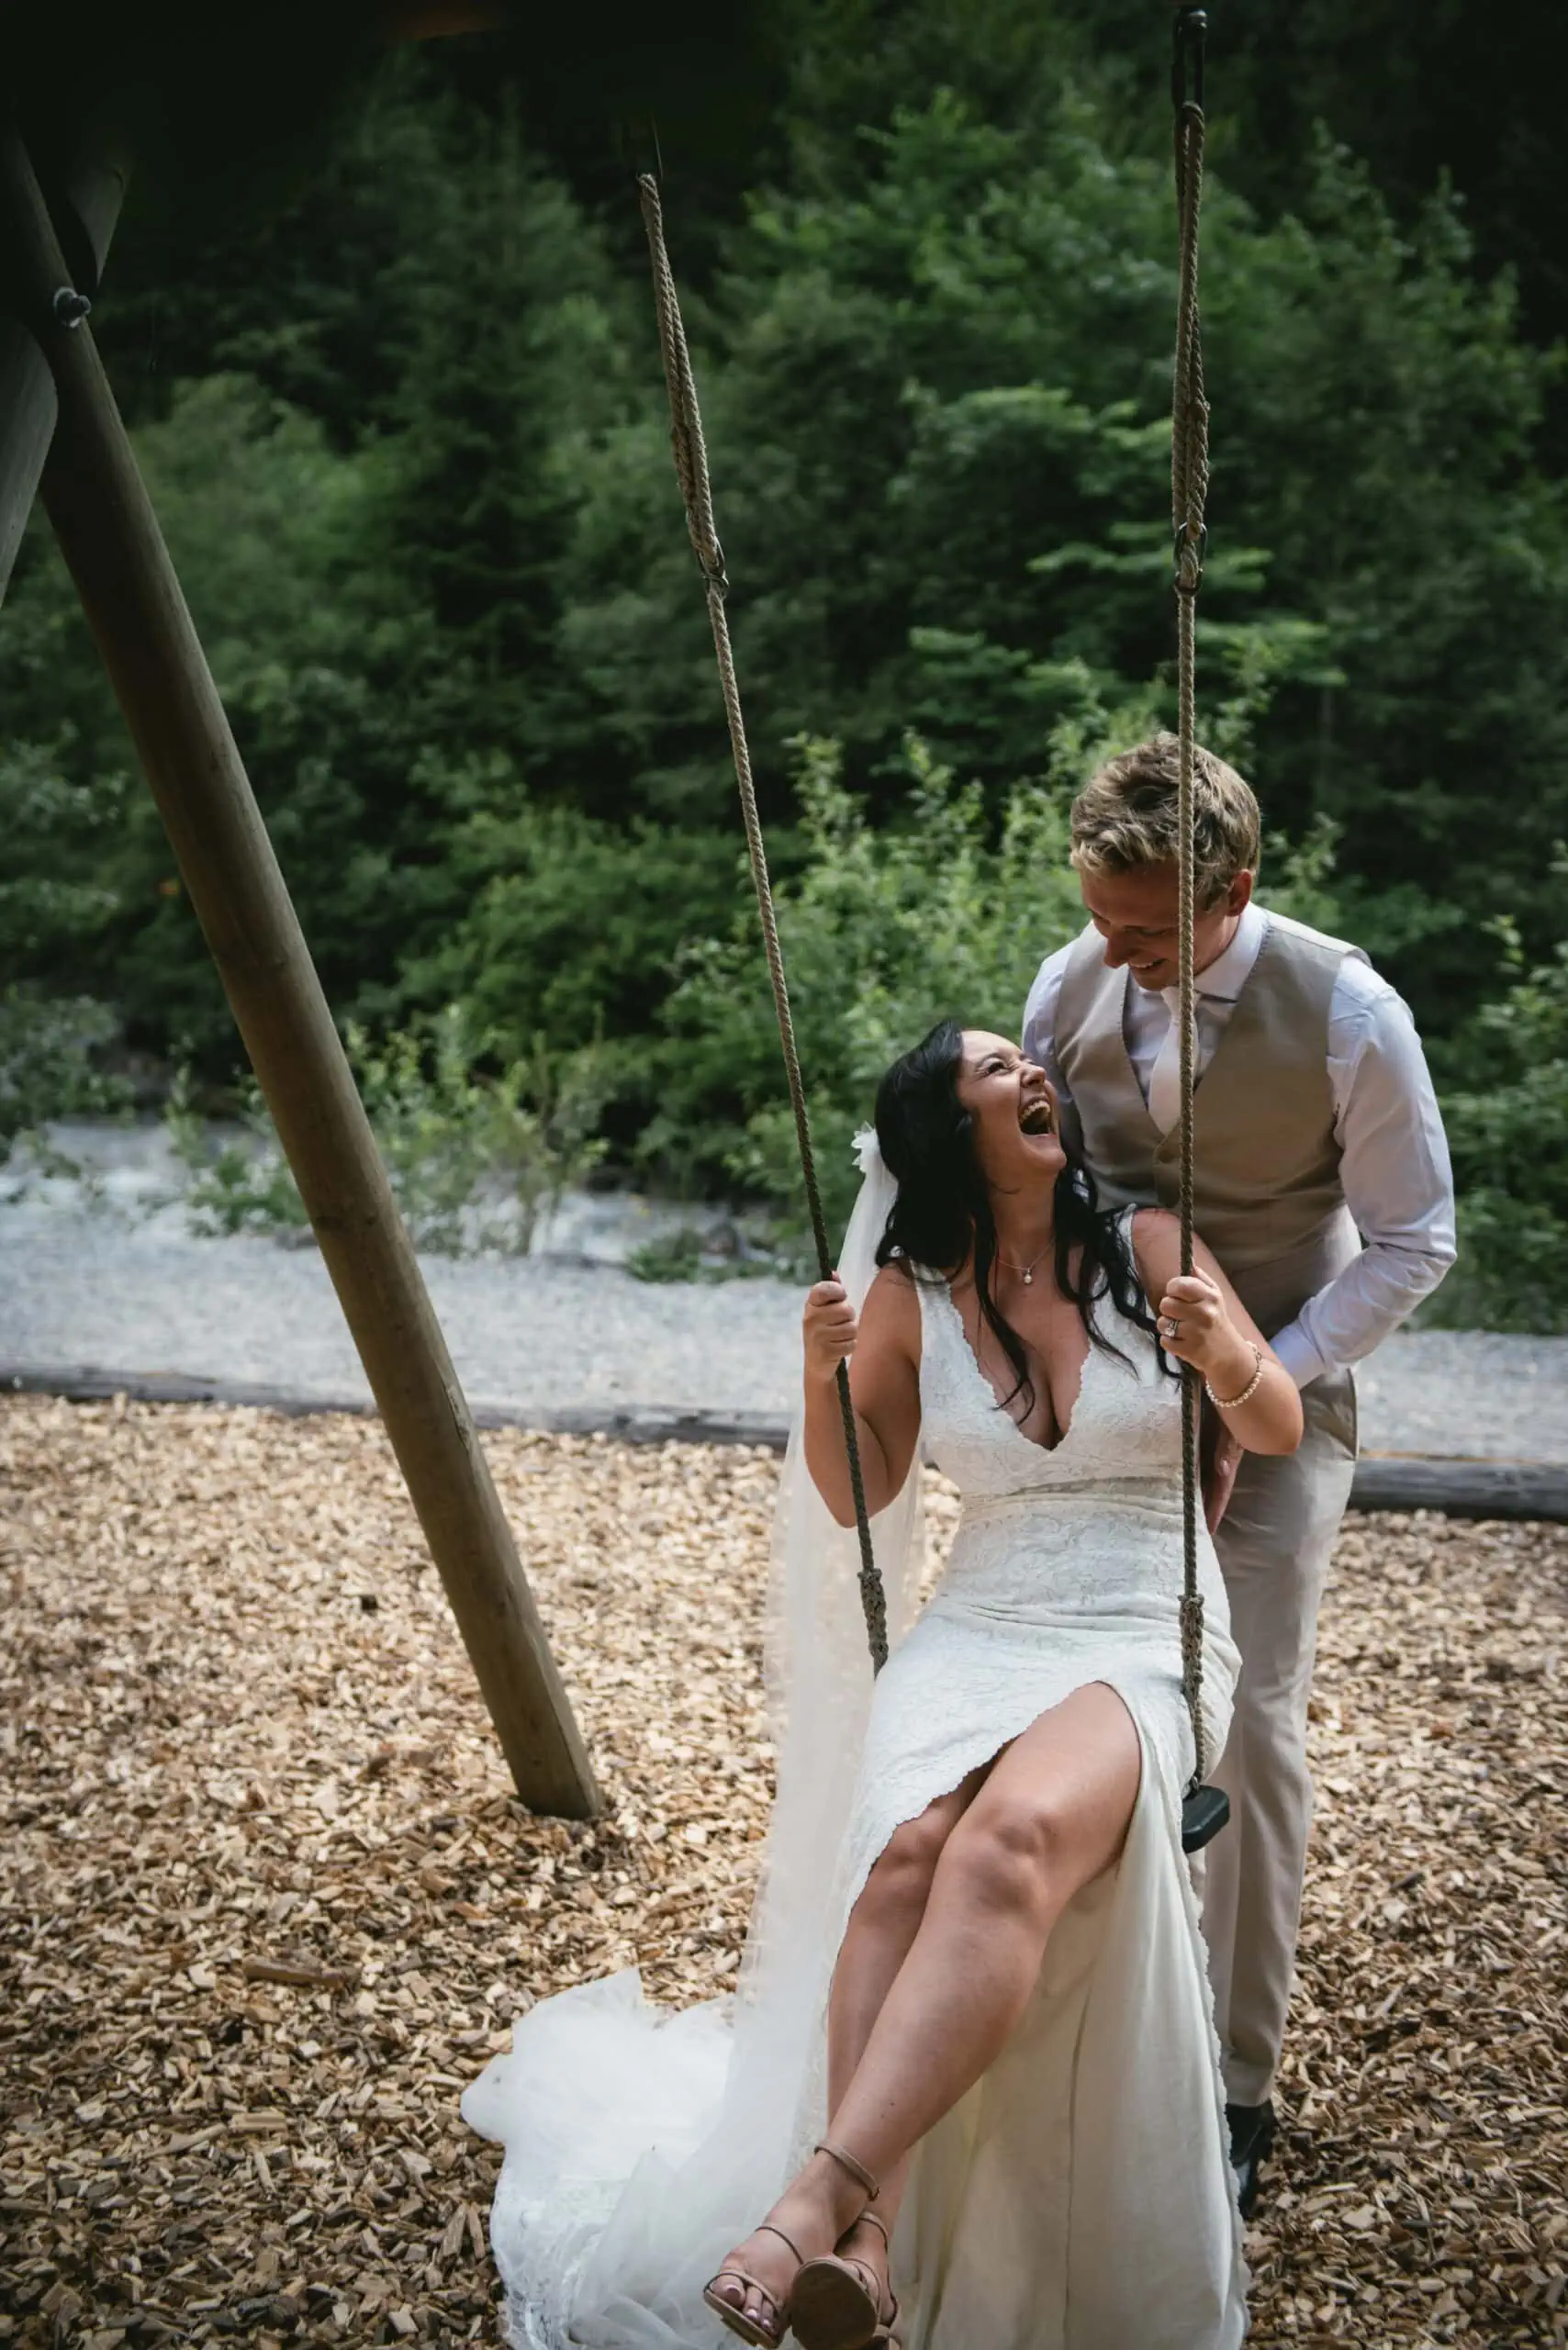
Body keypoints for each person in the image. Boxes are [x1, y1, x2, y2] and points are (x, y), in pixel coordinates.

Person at [465, 1018, 1304, 2350]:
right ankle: (867, 2248)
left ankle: (821, 2196)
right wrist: (820, 1379)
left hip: (1144, 1619)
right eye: (994, 1073)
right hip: (981, 1618)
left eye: (1027, 1065)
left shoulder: (1148, 1249)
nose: (1032, 1077)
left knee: (1009, 1841)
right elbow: (862, 1489)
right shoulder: (914, 1293)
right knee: (906, 1855)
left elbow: (1278, 1426)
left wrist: (1226, 1358)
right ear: (945, 1131)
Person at [1022, 733, 1456, 2211]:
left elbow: (1415, 1242)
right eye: (1100, 917)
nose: (1114, 950)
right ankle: (1075, 2035)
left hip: (1280, 1391)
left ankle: (1231, 2084)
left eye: (1147, 928)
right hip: (1111, 1400)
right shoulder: (1072, 982)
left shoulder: (1348, 1011)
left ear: (1237, 889)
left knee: (1248, 1722)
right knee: (1074, 1694)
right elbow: (1054, 1182)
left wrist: (1258, 1364)